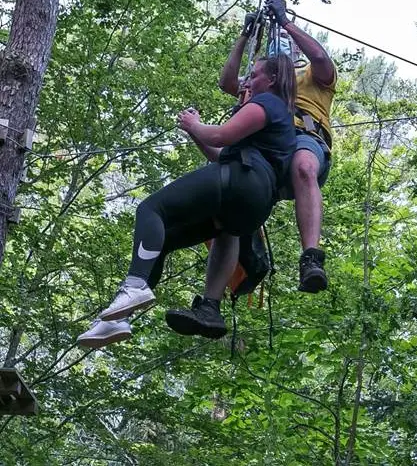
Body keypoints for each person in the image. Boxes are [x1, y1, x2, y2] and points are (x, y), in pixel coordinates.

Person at [76, 55, 297, 347]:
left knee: (151, 210)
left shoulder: (269, 102)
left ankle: (133, 287)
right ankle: (117, 319)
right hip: (252, 203)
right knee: (161, 241)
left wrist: (196, 124)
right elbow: (220, 154)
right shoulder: (277, 123)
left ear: (270, 79)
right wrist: (195, 133)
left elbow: (221, 135)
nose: (247, 81)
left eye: (253, 75)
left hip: (242, 180)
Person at [219, 0, 337, 293]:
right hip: (265, 147)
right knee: (227, 192)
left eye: (286, 38)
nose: (280, 39)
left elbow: (321, 58)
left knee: (304, 164)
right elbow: (228, 84)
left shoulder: (312, 74)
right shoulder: (262, 80)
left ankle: (311, 258)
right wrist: (245, 36)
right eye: (278, 37)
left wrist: (285, 21)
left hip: (303, 138)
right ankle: (216, 295)